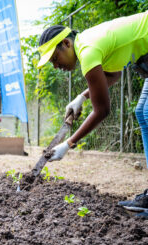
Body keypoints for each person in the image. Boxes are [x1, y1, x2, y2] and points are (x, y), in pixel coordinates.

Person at [37, 11, 148, 219]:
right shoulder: (87, 42)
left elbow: (103, 110)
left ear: (67, 44)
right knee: (143, 112)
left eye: (55, 57)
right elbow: (114, 73)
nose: (55, 66)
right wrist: (82, 97)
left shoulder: (87, 51)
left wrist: (68, 144)